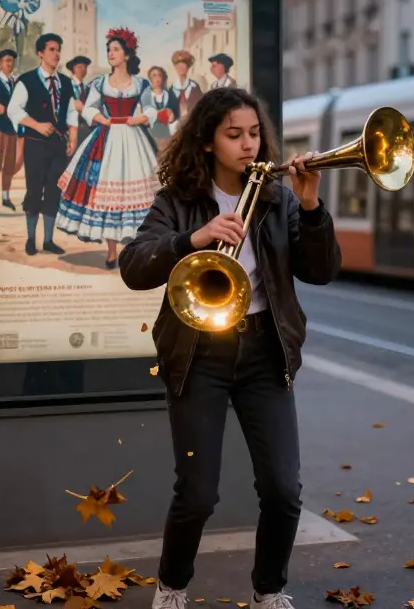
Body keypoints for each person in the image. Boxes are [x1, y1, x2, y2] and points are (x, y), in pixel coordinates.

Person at [118, 87, 342, 609]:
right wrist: (192, 240)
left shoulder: (278, 196)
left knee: (284, 491)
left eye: (254, 134)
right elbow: (133, 266)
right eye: (234, 135)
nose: (248, 145)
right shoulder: (177, 202)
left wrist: (310, 206)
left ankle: (269, 590)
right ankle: (172, 586)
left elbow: (322, 270)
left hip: (265, 353)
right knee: (197, 493)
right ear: (207, 142)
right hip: (200, 356)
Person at [55, 27, 158, 269]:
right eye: (109, 50)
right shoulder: (100, 82)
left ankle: (133, 250)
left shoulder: (140, 83)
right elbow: (89, 108)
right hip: (107, 138)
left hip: (133, 139)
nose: (111, 54)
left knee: (134, 193)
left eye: (115, 50)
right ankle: (112, 252)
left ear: (127, 55)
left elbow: (151, 109)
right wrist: (101, 119)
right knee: (106, 193)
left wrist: (140, 119)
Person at [6, 32, 79, 256]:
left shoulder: (65, 82)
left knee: (55, 191)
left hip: (58, 147)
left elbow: (72, 112)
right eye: (51, 50)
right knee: (35, 190)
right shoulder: (27, 80)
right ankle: (30, 239)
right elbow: (13, 110)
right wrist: (36, 125)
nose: (57, 54)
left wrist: (73, 138)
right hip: (35, 145)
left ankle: (48, 240)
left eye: (58, 50)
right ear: (40, 53)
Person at [0, 48, 22, 209]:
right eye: (6, 61)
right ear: (0, 63)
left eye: (11, 61)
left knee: (9, 163)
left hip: (12, 129)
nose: (10, 64)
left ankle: (6, 197)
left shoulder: (16, 83)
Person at [142, 65, 181, 153]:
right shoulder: (146, 95)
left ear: (163, 78)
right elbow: (146, 114)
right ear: (150, 79)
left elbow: (175, 113)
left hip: (166, 133)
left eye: (159, 75)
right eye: (154, 75)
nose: (157, 78)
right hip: (151, 133)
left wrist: (172, 115)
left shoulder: (169, 94)